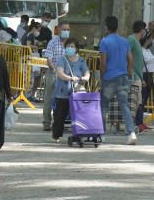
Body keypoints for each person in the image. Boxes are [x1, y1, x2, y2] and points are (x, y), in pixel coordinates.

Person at [99, 15, 136, 145]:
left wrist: (102, 76)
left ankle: (101, 134)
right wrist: (129, 73)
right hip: (123, 77)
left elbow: (103, 62)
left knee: (104, 106)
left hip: (109, 77)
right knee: (124, 105)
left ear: (106, 27)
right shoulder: (124, 41)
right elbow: (130, 60)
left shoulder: (104, 42)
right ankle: (131, 132)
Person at [52, 38, 90, 143]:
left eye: (72, 47)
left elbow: (87, 72)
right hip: (62, 93)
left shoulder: (81, 61)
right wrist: (70, 78)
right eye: (68, 46)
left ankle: (79, 134)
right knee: (60, 116)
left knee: (78, 116)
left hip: (77, 93)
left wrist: (85, 78)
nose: (70, 48)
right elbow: (59, 73)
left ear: (77, 48)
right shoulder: (62, 59)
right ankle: (56, 135)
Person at [42, 19, 71, 131]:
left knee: (63, 100)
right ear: (58, 29)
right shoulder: (53, 42)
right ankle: (46, 122)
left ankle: (60, 123)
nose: (66, 32)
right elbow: (49, 59)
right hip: (53, 73)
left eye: (68, 30)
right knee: (49, 98)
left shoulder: (71, 44)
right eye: (64, 29)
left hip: (66, 75)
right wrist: (54, 69)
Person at [127, 21, 147, 132]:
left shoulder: (137, 41)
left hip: (138, 77)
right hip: (133, 77)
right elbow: (126, 55)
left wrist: (141, 77)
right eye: (145, 29)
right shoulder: (131, 40)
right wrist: (131, 73)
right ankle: (129, 126)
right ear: (141, 30)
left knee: (138, 102)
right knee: (133, 103)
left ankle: (133, 125)